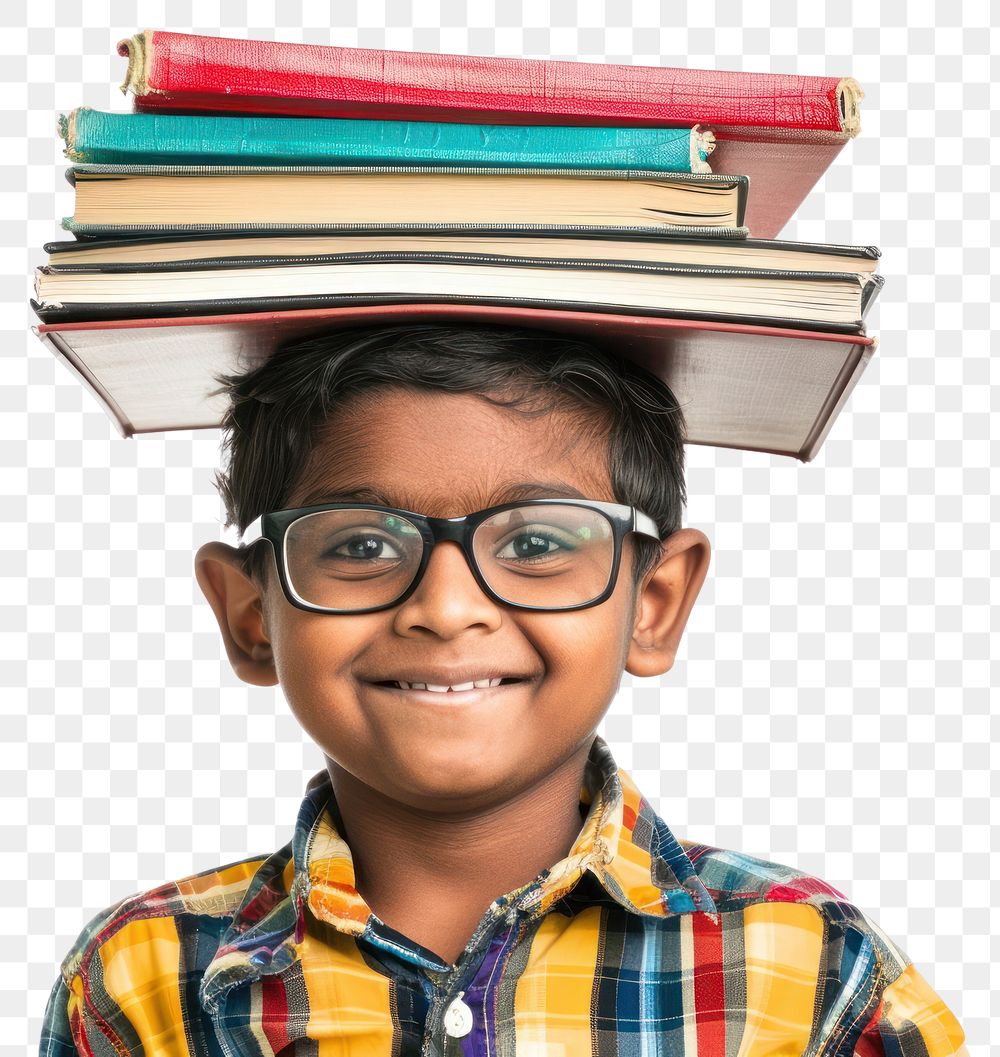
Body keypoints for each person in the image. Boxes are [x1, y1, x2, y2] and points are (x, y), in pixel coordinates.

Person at [39, 323, 967, 1056]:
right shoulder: (144, 980)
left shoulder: (814, 973)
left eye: (535, 543)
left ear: (654, 602)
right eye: (362, 544)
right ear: (250, 613)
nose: (446, 609)